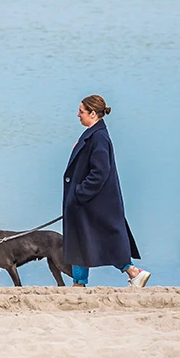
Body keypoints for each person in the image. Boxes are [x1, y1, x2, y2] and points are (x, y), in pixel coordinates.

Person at [63, 95, 149, 287]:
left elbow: (100, 172)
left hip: (91, 202)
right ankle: (81, 282)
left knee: (95, 240)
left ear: (93, 113)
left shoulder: (99, 137)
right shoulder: (95, 134)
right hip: (91, 202)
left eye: (81, 111)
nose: (78, 115)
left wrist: (79, 192)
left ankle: (132, 272)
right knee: (87, 240)